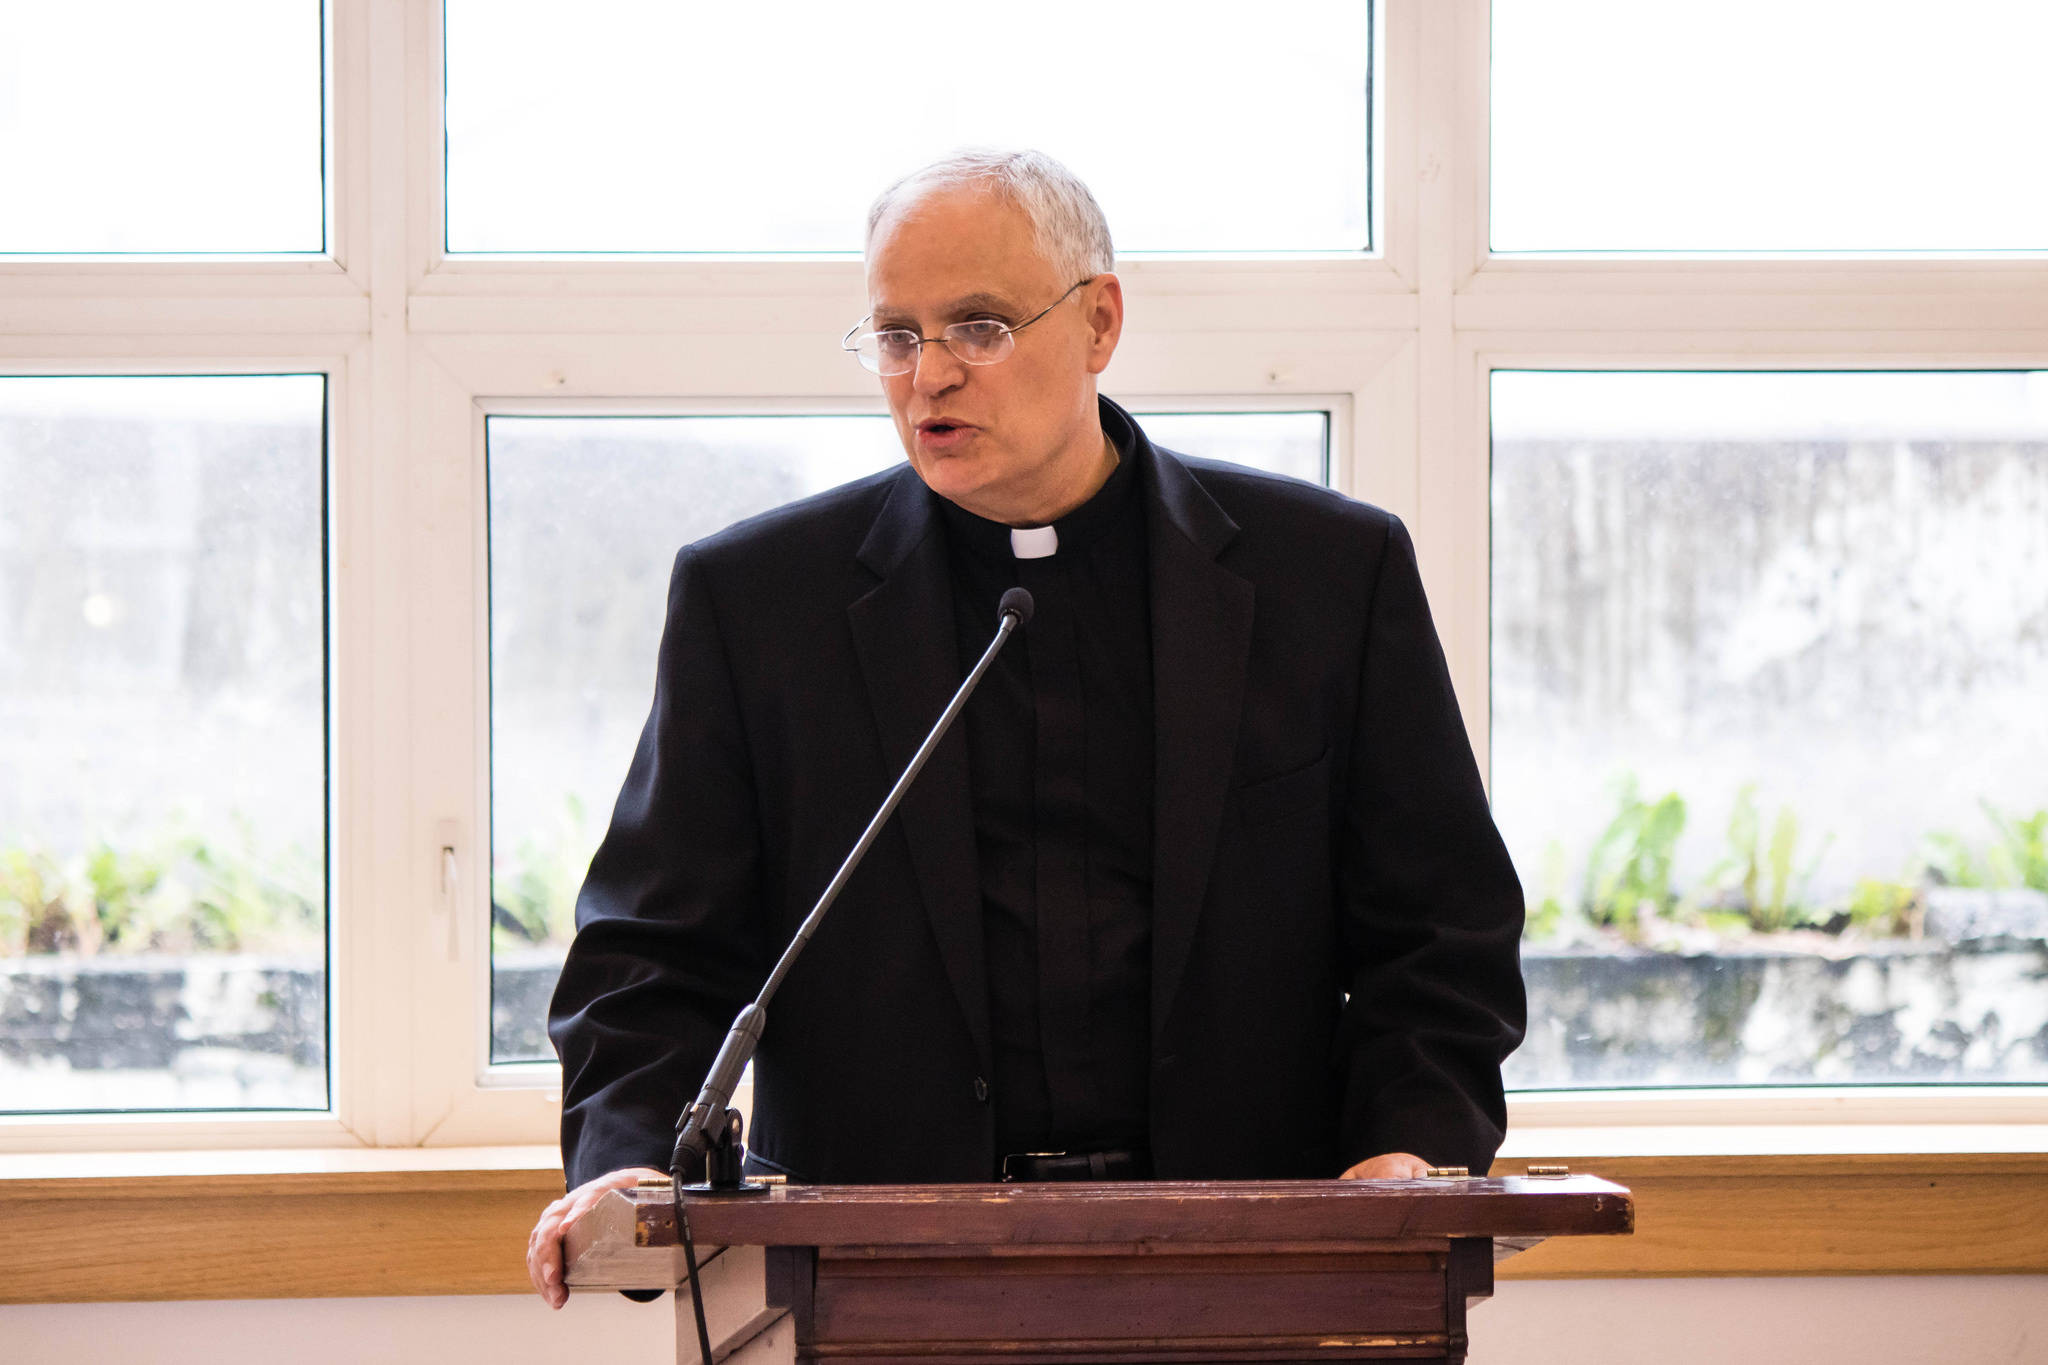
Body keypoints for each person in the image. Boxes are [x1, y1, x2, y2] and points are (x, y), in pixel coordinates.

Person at [526, 150, 1525, 1308]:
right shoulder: (759, 604)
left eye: (979, 327)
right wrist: (633, 1167)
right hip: (879, 1283)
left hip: (1257, 1271)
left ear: (1098, 322)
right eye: (895, 335)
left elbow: (1439, 932)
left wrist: (1402, 1152)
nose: (929, 375)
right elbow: (653, 951)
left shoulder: (1327, 578)